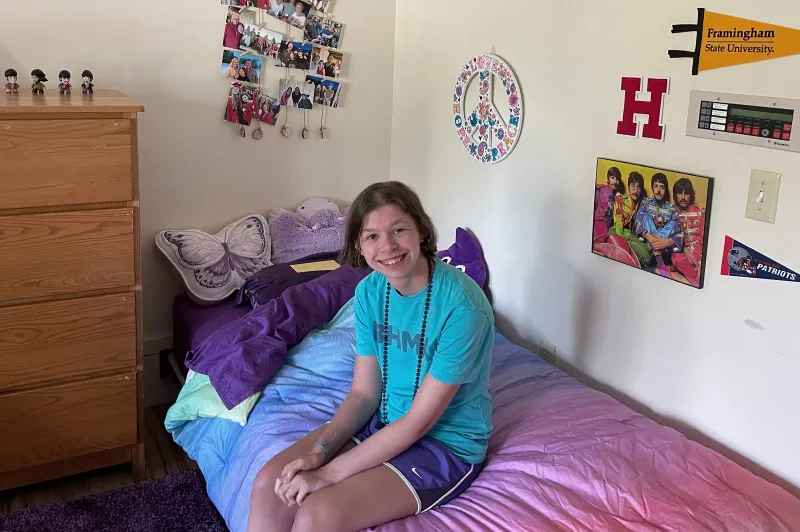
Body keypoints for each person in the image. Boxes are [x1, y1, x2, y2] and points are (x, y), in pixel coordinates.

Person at [247, 181, 494, 532]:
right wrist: (320, 451)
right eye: (372, 236)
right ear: (359, 246)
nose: (388, 246)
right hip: (385, 420)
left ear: (421, 230)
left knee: (317, 513)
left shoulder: (463, 308)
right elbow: (364, 394)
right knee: (268, 484)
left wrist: (327, 475)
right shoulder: (369, 292)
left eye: (398, 230)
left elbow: (420, 422)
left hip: (445, 445)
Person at [634, 172, 680, 265]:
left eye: (662, 187)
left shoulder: (672, 208)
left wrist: (663, 242)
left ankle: (657, 251)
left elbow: (678, 231)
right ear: (652, 188)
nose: (658, 190)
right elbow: (637, 221)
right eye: (656, 186)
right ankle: (656, 251)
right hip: (647, 243)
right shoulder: (646, 202)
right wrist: (648, 236)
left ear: (665, 190)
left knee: (674, 223)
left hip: (664, 248)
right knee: (645, 216)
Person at [610, 171, 651, 267]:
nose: (635, 190)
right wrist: (626, 242)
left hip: (632, 236)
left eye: (639, 187)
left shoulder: (641, 204)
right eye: (633, 186)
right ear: (628, 187)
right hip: (617, 232)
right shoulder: (620, 200)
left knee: (646, 255)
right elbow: (618, 224)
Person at [670, 178, 705, 287]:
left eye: (686, 194)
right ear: (675, 195)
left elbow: (706, 240)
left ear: (691, 195)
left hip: (699, 253)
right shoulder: (672, 213)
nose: (683, 197)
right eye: (680, 193)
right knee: (676, 257)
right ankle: (696, 278)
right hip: (683, 254)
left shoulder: (701, 212)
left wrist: (700, 261)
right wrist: (684, 250)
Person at [594, 166, 621, 238]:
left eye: (617, 179)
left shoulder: (617, 196)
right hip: (597, 223)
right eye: (612, 178)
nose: (615, 181)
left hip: (608, 227)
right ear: (608, 179)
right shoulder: (600, 190)